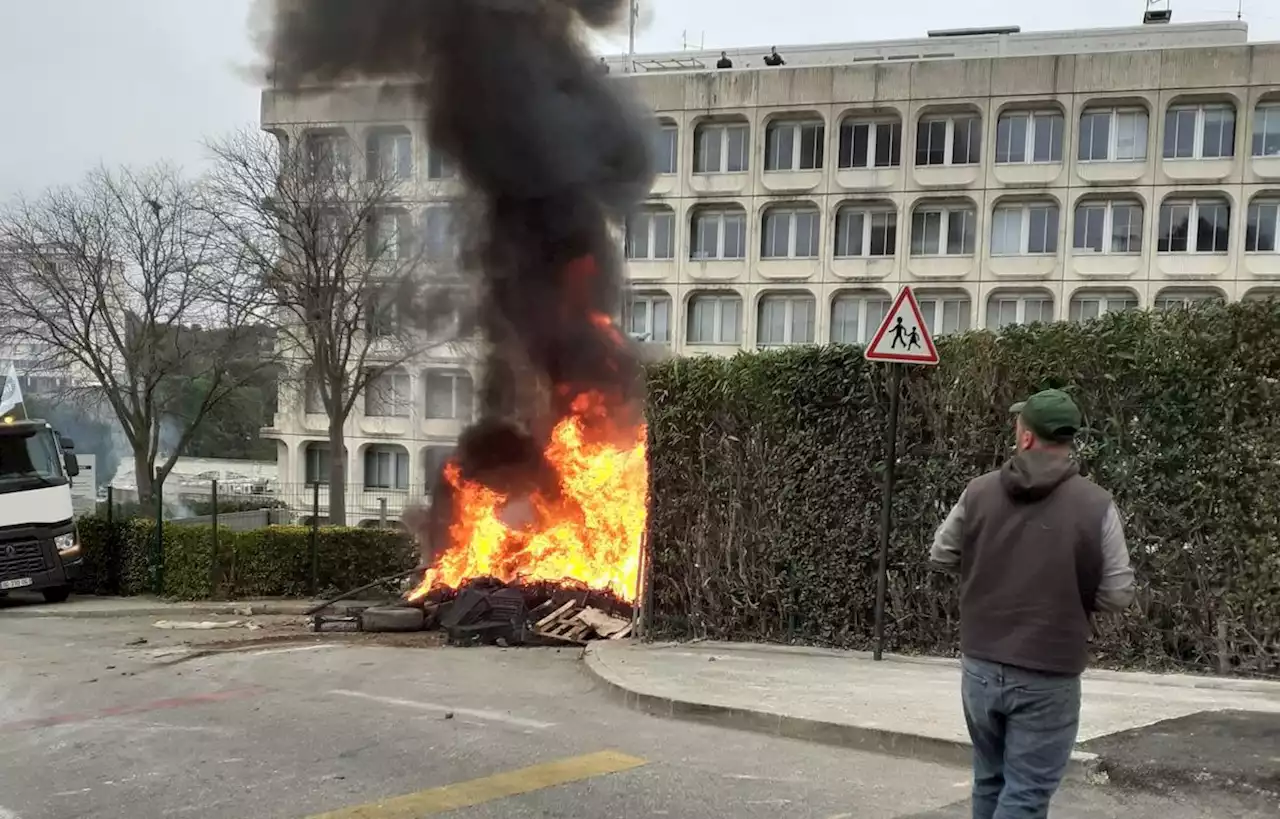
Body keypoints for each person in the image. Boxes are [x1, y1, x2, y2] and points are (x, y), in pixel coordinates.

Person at [930, 389, 1134, 819]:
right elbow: (1117, 593)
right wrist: (1067, 594)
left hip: (981, 666)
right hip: (1048, 670)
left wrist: (987, 572)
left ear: (1026, 438)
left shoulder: (979, 492)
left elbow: (942, 554)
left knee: (990, 779)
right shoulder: (1096, 504)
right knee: (1025, 794)